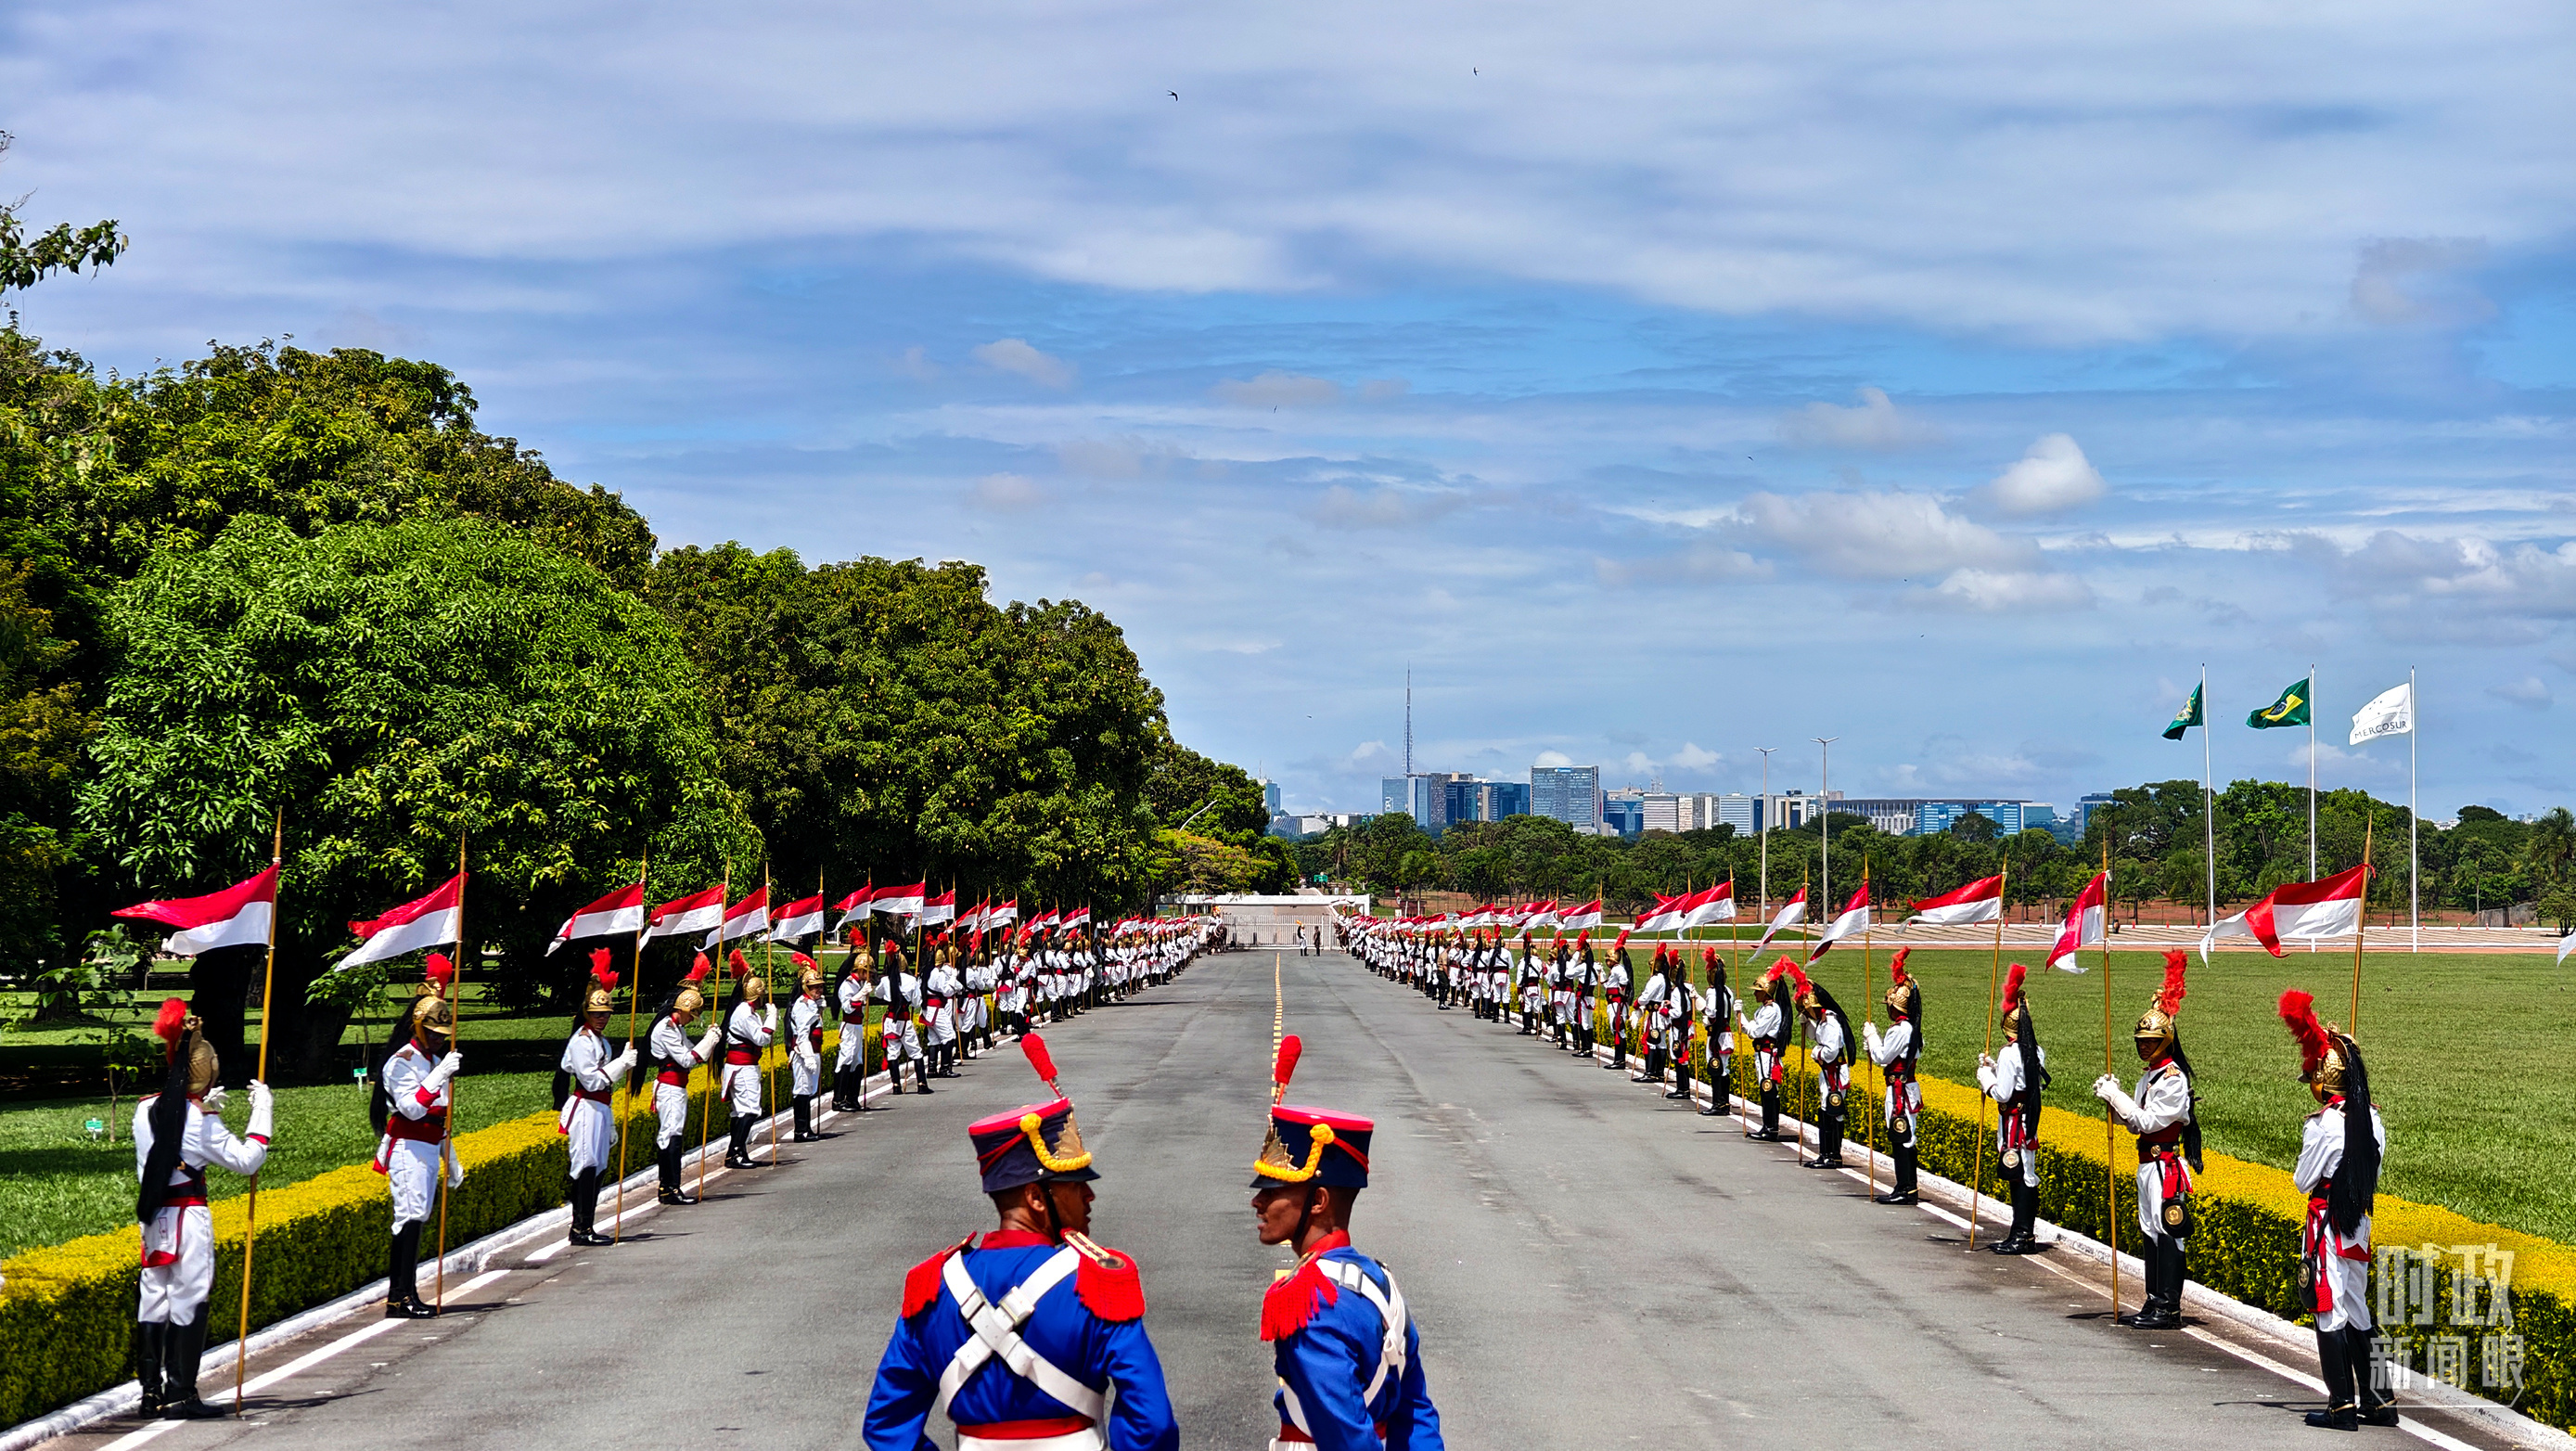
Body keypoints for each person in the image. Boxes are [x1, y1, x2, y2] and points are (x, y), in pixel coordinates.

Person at [864, 1035, 1178, 1451]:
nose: (1089, 1198)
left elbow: (886, 1425)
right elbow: (1152, 1424)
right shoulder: (1098, 1282)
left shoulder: (932, 1286)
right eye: (1074, 1186)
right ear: (1035, 1197)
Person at [1251, 1036, 1443, 1451]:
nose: (1258, 1201)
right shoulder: (1378, 1281)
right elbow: (1416, 1417)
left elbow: (1347, 1437)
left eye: (1273, 1190)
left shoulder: (1310, 1302)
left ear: (1317, 1202)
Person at [134, 999, 272, 1419]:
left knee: (153, 1300)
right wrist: (262, 1110)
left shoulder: (144, 1108)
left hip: (155, 1218)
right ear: (208, 1070)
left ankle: (151, 1393)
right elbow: (248, 1159)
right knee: (190, 1299)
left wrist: (203, 1103)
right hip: (189, 1217)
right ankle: (181, 1393)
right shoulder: (201, 1120)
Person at [2279, 990, 2393, 1431]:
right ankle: (2380, 1400)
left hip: (2326, 1225)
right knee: (2358, 1309)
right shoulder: (2373, 1121)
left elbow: (2303, 1181)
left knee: (2328, 1309)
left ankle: (2341, 1405)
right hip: (2358, 1225)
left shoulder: (2324, 1125)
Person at [2093, 949, 2200, 1330]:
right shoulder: (2149, 1077)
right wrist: (2116, 1102)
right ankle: (2153, 1298)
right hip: (2147, 1163)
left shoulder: (2173, 1080)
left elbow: (2147, 1121)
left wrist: (2115, 1098)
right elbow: (2132, 1124)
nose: (2143, 1045)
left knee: (2169, 1232)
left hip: (2165, 1164)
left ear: (2165, 1040)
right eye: (2140, 1040)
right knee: (2149, 1232)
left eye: (2150, 1040)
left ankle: (2169, 1306)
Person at [374, 955, 464, 1317]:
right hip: (407, 1148)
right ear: (418, 1027)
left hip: (427, 1146)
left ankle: (407, 1293)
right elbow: (411, 1108)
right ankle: (399, 1296)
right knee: (409, 1218)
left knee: (419, 1217)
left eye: (444, 1036)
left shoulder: (430, 1060)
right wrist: (440, 1074)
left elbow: (438, 1116)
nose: (440, 1042)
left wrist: (451, 1157)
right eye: (434, 1034)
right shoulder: (402, 1061)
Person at [556, 951, 638, 1245]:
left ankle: (587, 1224)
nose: (602, 1018)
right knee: (586, 1165)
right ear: (586, 1013)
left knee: (600, 1166)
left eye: (606, 1014)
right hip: (586, 1106)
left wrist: (612, 1121)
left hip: (600, 1107)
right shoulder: (580, 1041)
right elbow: (591, 1079)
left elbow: (606, 1086)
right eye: (597, 1014)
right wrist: (621, 1064)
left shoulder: (600, 1041)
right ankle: (580, 1228)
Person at [1973, 963, 2047, 1254]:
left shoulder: (2008, 1053)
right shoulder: (2034, 1049)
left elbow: (2003, 1092)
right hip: (2027, 1117)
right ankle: (2020, 1232)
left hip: (2014, 1120)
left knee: (2021, 1176)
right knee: (2022, 1173)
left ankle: (2023, 1234)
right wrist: (1996, 1068)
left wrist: (1986, 1079)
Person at [647, 955, 723, 1205]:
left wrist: (707, 1043)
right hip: (669, 1087)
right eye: (692, 1015)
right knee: (671, 1135)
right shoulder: (666, 1029)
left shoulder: (676, 1028)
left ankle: (671, 1185)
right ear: (682, 1009)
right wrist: (709, 1041)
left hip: (677, 1087)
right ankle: (669, 1187)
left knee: (675, 1134)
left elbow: (692, 1050)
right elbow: (688, 1059)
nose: (693, 1019)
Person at [1862, 949, 1923, 1204]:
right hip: (1902, 1086)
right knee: (1903, 1137)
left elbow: (1883, 1057)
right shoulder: (1910, 1027)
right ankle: (1905, 1186)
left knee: (1902, 1137)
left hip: (1899, 1089)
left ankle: (1906, 1188)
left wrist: (1872, 1037)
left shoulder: (1901, 1030)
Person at [720, 951, 777, 1170]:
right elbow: (762, 1038)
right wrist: (772, 1018)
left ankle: (739, 1150)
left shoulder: (746, 1011)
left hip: (743, 1065)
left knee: (741, 1111)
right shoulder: (744, 1013)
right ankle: (735, 1151)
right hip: (742, 1067)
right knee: (750, 1109)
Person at [1795, 969, 1854, 1170]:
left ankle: (1833, 1154)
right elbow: (1816, 1037)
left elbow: (1828, 1051)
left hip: (1834, 1072)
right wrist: (1807, 1023)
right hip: (1827, 1073)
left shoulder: (1830, 1022)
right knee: (1824, 1111)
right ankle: (1825, 1152)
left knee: (1833, 1111)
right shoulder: (1821, 1022)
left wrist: (1814, 1053)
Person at [1737, 960, 1792, 1140]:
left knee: (1768, 1088)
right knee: (1766, 1089)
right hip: (1762, 1053)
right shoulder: (1764, 1009)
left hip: (1768, 1054)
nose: (1755, 994)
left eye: (1758, 991)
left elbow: (1755, 1031)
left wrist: (1741, 1017)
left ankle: (1770, 1127)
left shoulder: (1771, 1010)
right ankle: (1768, 1125)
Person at [876, 939, 931, 1094]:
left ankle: (896, 1086)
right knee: (915, 1051)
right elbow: (918, 1002)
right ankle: (921, 1084)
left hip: (890, 1021)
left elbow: (878, 993)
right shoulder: (911, 980)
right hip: (904, 1021)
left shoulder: (885, 980)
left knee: (893, 1052)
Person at [787, 955, 826, 1141]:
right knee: (802, 1090)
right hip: (804, 1054)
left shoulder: (811, 1004)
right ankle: (800, 1130)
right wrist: (809, 1057)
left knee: (809, 1090)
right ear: (805, 988)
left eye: (820, 986)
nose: (818, 989)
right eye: (814, 987)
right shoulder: (803, 1006)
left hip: (813, 1051)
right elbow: (802, 1034)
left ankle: (806, 1128)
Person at [833, 947, 875, 1112]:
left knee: (857, 1060)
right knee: (846, 1059)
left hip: (857, 1025)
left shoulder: (860, 984)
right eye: (867, 972)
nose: (869, 975)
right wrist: (860, 995)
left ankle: (852, 1098)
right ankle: (838, 1099)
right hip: (849, 1025)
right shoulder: (848, 984)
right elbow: (848, 1006)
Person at [1695, 950, 1735, 1117]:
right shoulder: (1728, 991)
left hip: (1716, 1034)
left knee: (1715, 1067)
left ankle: (1718, 1103)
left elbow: (1711, 1012)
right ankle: (1723, 1102)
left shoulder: (1712, 992)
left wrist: (1698, 1001)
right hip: (1725, 1033)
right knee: (1723, 1068)